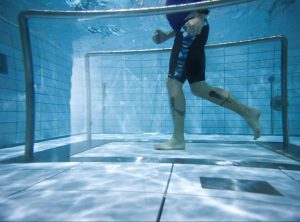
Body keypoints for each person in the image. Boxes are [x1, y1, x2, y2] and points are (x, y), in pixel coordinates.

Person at [152, 0, 261, 150]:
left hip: (191, 28)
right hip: (190, 29)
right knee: (199, 87)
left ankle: (178, 138)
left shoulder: (196, 17)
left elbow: (191, 12)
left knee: (173, 83)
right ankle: (248, 112)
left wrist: (200, 15)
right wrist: (168, 35)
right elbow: (183, 13)